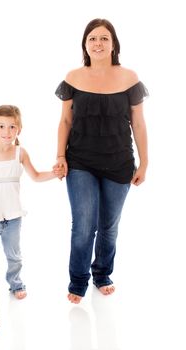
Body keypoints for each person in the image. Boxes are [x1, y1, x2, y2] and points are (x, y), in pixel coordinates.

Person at [54, 18, 149, 304]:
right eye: (93, 38)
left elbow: (139, 124)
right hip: (80, 161)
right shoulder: (73, 78)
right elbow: (65, 120)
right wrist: (60, 156)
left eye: (104, 38)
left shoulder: (130, 78)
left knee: (109, 226)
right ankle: (78, 280)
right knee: (84, 224)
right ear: (85, 44)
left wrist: (144, 163)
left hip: (119, 162)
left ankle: (102, 274)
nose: (98, 43)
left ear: (113, 44)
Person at [0, 105, 63, 337]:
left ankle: (16, 282)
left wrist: (55, 173)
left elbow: (37, 176)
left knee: (14, 256)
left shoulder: (21, 153)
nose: (7, 132)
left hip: (13, 217)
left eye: (12, 127)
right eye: (1, 126)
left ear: (19, 129)